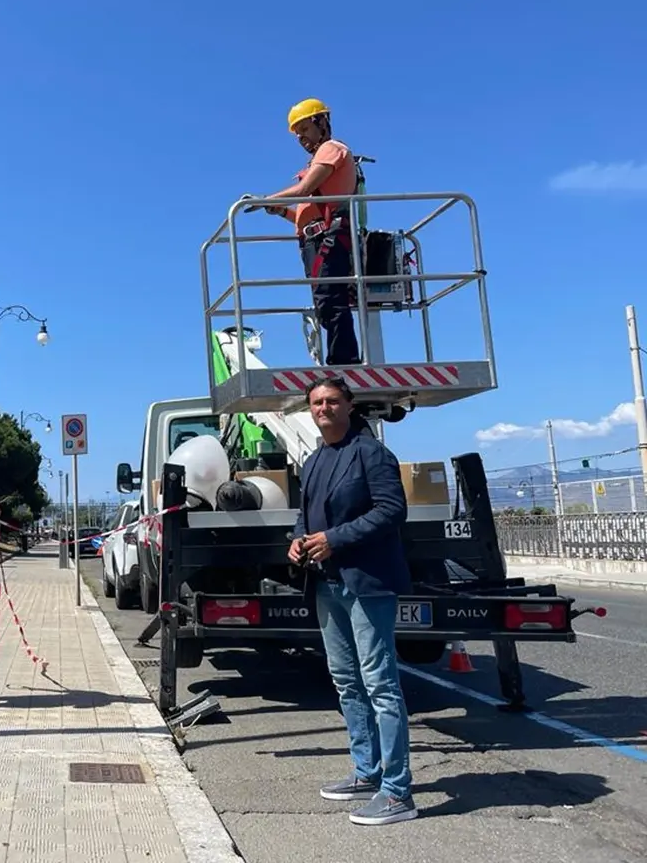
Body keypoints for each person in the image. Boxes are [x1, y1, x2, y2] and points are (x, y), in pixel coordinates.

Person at [287, 376, 417, 826]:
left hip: (368, 583)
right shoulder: (315, 459)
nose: (324, 408)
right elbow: (307, 515)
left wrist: (335, 539)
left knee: (380, 684)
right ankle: (366, 772)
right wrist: (298, 540)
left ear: (349, 405)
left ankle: (398, 792)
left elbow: (391, 509)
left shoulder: (372, 453)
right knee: (346, 681)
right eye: (317, 402)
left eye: (332, 401)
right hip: (327, 584)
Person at [247, 98, 362, 365]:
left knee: (331, 302)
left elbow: (304, 189)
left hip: (329, 238)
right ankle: (341, 359)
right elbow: (305, 214)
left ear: (321, 122)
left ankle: (344, 362)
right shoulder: (317, 159)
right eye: (297, 134)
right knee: (325, 303)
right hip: (316, 238)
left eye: (304, 129)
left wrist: (266, 199)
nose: (301, 137)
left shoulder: (331, 149)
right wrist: (282, 211)